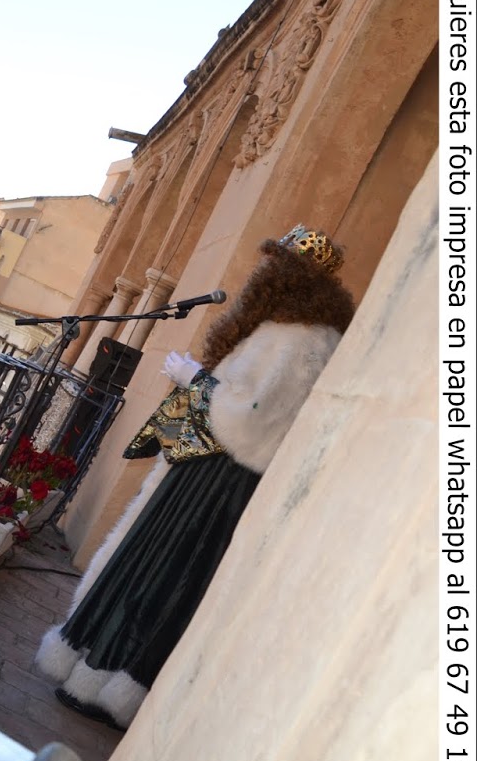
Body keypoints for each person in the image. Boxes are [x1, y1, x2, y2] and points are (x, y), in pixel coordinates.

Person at [35, 224, 356, 729]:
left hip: (219, 482)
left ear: (293, 277)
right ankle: (93, 674)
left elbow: (251, 417)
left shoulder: (304, 342)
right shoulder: (287, 330)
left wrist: (198, 382)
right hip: (204, 471)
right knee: (149, 570)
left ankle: (108, 687)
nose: (263, 273)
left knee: (162, 580)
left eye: (276, 265)